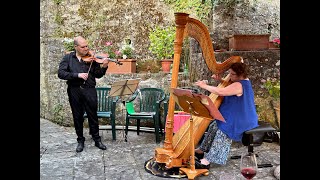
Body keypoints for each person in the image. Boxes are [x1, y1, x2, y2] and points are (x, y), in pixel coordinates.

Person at [193, 62, 258, 169]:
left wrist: (204, 86)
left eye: (232, 74)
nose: (230, 76)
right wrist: (220, 80)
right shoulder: (243, 81)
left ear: (240, 75)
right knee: (214, 125)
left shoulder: (239, 85)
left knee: (224, 129)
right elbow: (230, 87)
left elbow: (221, 91)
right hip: (241, 114)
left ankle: (208, 160)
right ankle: (202, 150)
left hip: (243, 119)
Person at [58, 36, 109, 152]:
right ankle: (80, 140)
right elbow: (61, 73)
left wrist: (104, 67)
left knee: (93, 115)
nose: (86, 48)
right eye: (83, 47)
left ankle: (97, 139)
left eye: (87, 46)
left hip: (89, 90)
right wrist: (77, 75)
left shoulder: (92, 59)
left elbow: (98, 74)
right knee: (77, 116)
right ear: (76, 47)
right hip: (74, 90)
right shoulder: (68, 58)